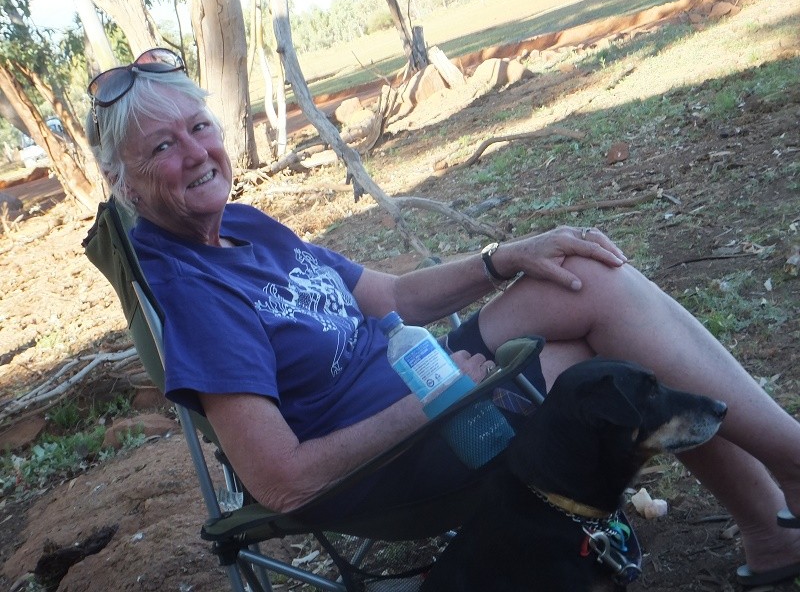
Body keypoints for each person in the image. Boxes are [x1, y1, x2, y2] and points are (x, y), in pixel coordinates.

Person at [86, 48, 800, 586]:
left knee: (585, 280)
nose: (196, 153)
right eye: (162, 147)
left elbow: (395, 297)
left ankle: (777, 517)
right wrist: (434, 401)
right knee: (610, 371)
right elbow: (284, 481)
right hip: (404, 451)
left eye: (199, 127)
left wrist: (505, 257)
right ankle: (782, 500)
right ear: (124, 184)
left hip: (432, 384)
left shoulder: (246, 227)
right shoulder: (194, 295)